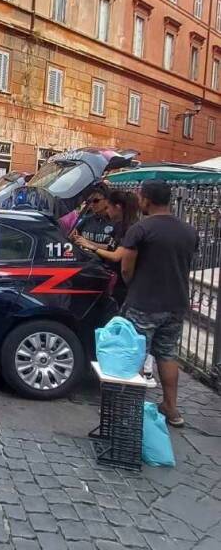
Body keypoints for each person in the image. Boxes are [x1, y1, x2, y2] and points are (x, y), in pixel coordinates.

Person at [118, 180, 198, 429]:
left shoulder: (141, 229)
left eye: (140, 197)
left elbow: (126, 267)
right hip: (175, 302)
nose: (139, 201)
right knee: (167, 353)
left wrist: (132, 285)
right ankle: (171, 408)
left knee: (136, 354)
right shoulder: (188, 231)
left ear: (147, 200)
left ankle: (131, 408)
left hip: (144, 302)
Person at [76, 190, 140, 306]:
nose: (108, 211)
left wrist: (92, 247)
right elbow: (110, 247)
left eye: (108, 207)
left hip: (123, 286)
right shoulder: (120, 226)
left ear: (118, 207)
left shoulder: (130, 228)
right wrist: (87, 243)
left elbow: (116, 256)